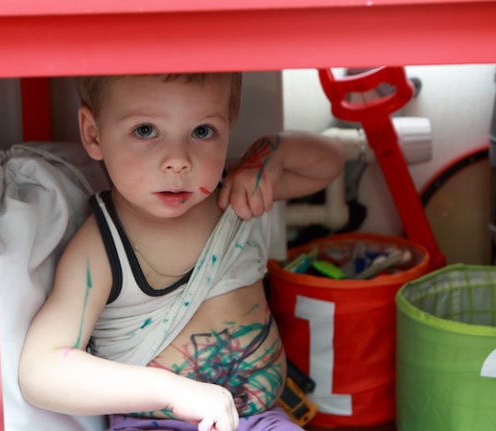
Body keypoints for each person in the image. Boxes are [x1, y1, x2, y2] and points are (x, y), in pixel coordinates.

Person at [18, 72, 348, 431]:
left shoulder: (233, 195)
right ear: (93, 134)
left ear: (228, 124)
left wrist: (269, 157)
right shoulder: (101, 247)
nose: (178, 161)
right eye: (145, 130)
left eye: (202, 131)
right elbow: (41, 371)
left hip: (262, 420)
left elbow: (329, 163)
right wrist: (172, 392)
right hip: (150, 424)